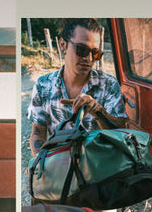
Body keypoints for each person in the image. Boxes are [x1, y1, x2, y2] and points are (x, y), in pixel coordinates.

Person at [26, 18, 130, 154]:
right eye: (82, 50)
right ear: (63, 45)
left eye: (95, 53)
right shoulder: (43, 85)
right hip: (58, 165)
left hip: (98, 167)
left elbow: (119, 132)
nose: (89, 58)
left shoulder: (108, 84)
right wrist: (41, 166)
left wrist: (97, 111)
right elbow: (38, 133)